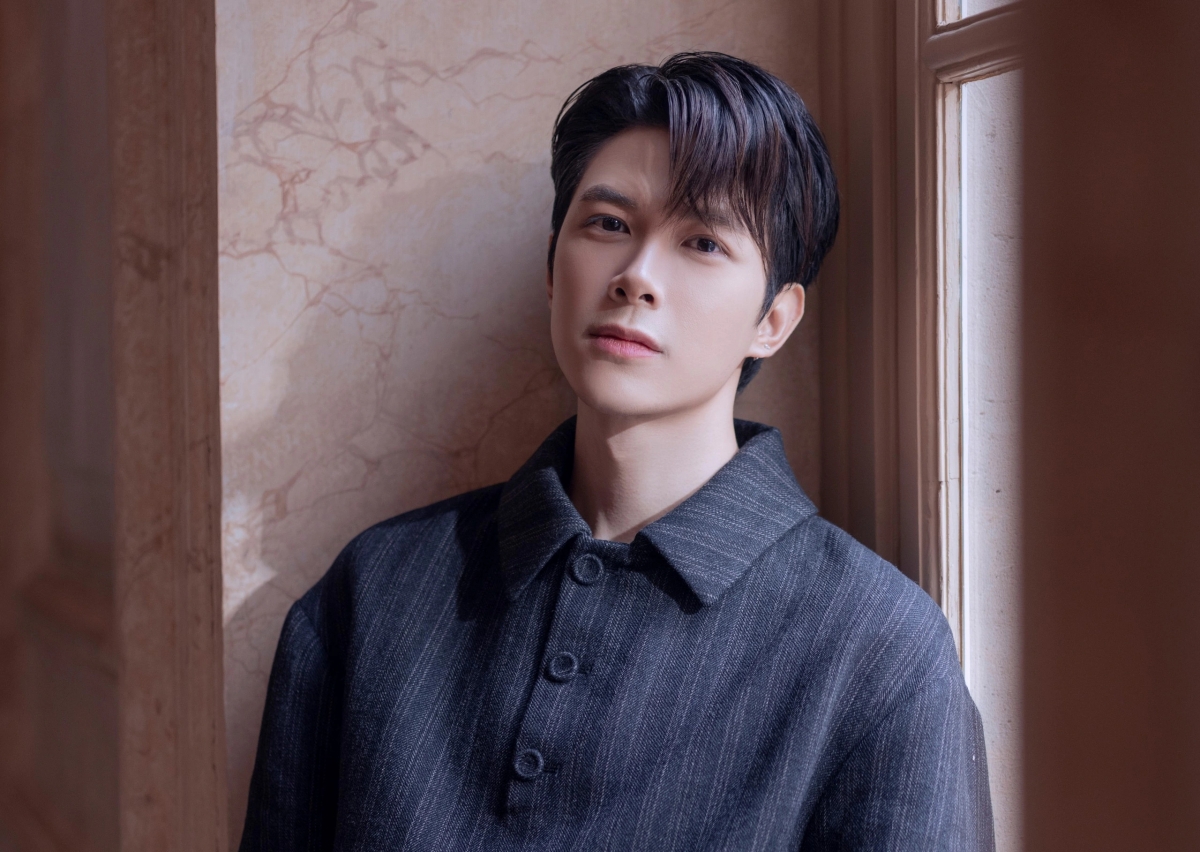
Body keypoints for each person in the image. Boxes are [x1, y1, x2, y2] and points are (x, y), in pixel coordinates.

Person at [238, 52, 994, 851]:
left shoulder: (879, 651)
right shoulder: (374, 591)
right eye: (608, 224)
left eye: (702, 242)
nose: (636, 277)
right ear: (552, 268)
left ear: (773, 320)